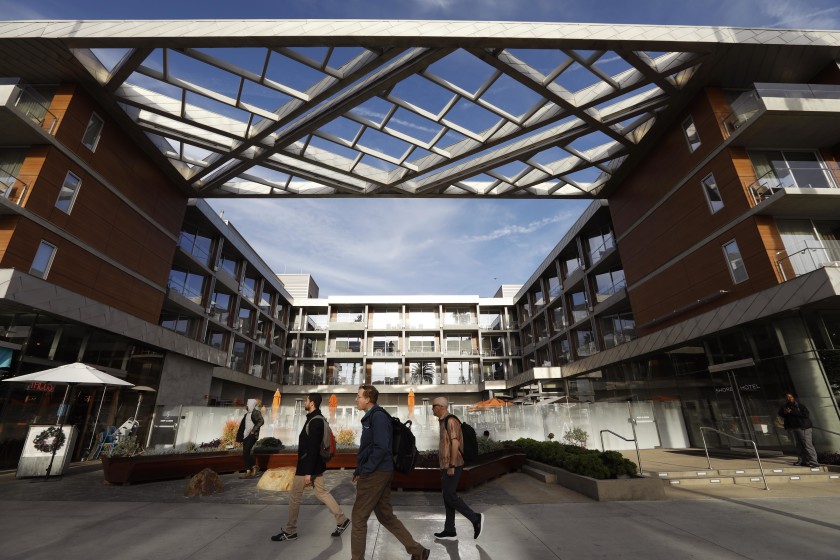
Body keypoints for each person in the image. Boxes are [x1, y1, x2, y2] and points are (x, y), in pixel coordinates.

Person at [351, 384, 429, 560]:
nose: (356, 399)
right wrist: (359, 469)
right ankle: (418, 551)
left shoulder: (377, 417)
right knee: (386, 517)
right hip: (380, 471)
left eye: (358, 396)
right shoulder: (373, 416)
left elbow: (381, 448)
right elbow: (369, 448)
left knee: (358, 518)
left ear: (368, 399)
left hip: (375, 474)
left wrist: (366, 470)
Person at [271, 393, 349, 541]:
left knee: (295, 496)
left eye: (306, 400)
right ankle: (342, 520)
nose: (305, 402)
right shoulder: (315, 419)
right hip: (315, 465)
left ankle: (290, 530)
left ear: (312, 403)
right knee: (321, 493)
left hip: (307, 465)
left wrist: (308, 472)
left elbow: (313, 448)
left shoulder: (315, 422)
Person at [431, 396, 484, 542]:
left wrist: (452, 465)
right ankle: (450, 529)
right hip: (445, 465)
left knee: (450, 495)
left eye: (433, 406)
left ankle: (475, 518)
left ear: (441, 406)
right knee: (447, 496)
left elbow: (455, 444)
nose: (432, 409)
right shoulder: (442, 421)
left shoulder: (451, 420)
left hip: (452, 465)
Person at [778, 393, 819, 467]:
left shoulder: (800, 406)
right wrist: (785, 412)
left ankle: (813, 461)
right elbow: (780, 413)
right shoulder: (785, 406)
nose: (789, 398)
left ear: (793, 397)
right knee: (798, 445)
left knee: (807, 445)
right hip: (792, 428)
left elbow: (806, 415)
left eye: (790, 397)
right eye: (787, 397)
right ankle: (802, 461)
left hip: (803, 428)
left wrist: (792, 411)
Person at [239, 398, 264, 478]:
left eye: (247, 404)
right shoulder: (247, 414)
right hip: (245, 435)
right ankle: (248, 471)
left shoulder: (256, 412)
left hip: (252, 435)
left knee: (246, 451)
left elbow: (261, 421)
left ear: (251, 404)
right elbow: (243, 425)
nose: (246, 405)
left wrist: (253, 430)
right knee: (245, 453)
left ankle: (253, 466)